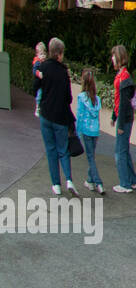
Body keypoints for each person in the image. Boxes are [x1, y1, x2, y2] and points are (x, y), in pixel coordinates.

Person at [38, 38, 77, 196]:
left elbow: (37, 86)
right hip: (60, 117)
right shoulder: (63, 71)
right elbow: (68, 98)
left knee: (51, 150)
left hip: (46, 114)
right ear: (60, 54)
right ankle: (68, 179)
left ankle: (56, 185)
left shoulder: (44, 67)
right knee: (63, 149)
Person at [110, 44, 136, 193]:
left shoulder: (124, 77)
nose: (112, 59)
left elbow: (123, 103)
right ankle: (133, 180)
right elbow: (120, 101)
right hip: (124, 118)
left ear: (119, 57)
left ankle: (125, 184)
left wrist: (119, 122)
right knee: (124, 150)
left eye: (114, 56)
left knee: (119, 151)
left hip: (125, 120)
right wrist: (114, 116)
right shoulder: (123, 75)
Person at [76, 68, 105, 196]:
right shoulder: (97, 99)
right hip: (95, 131)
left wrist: (77, 132)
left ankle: (98, 182)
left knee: (90, 158)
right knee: (91, 156)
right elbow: (97, 116)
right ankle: (90, 181)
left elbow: (80, 115)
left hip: (86, 131)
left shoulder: (81, 97)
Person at [32, 42, 46, 118]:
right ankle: (38, 107)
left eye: (44, 54)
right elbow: (34, 71)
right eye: (41, 54)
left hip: (44, 83)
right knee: (39, 95)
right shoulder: (37, 63)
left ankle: (41, 108)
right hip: (39, 83)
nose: (43, 56)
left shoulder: (45, 62)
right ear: (37, 54)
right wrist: (38, 73)